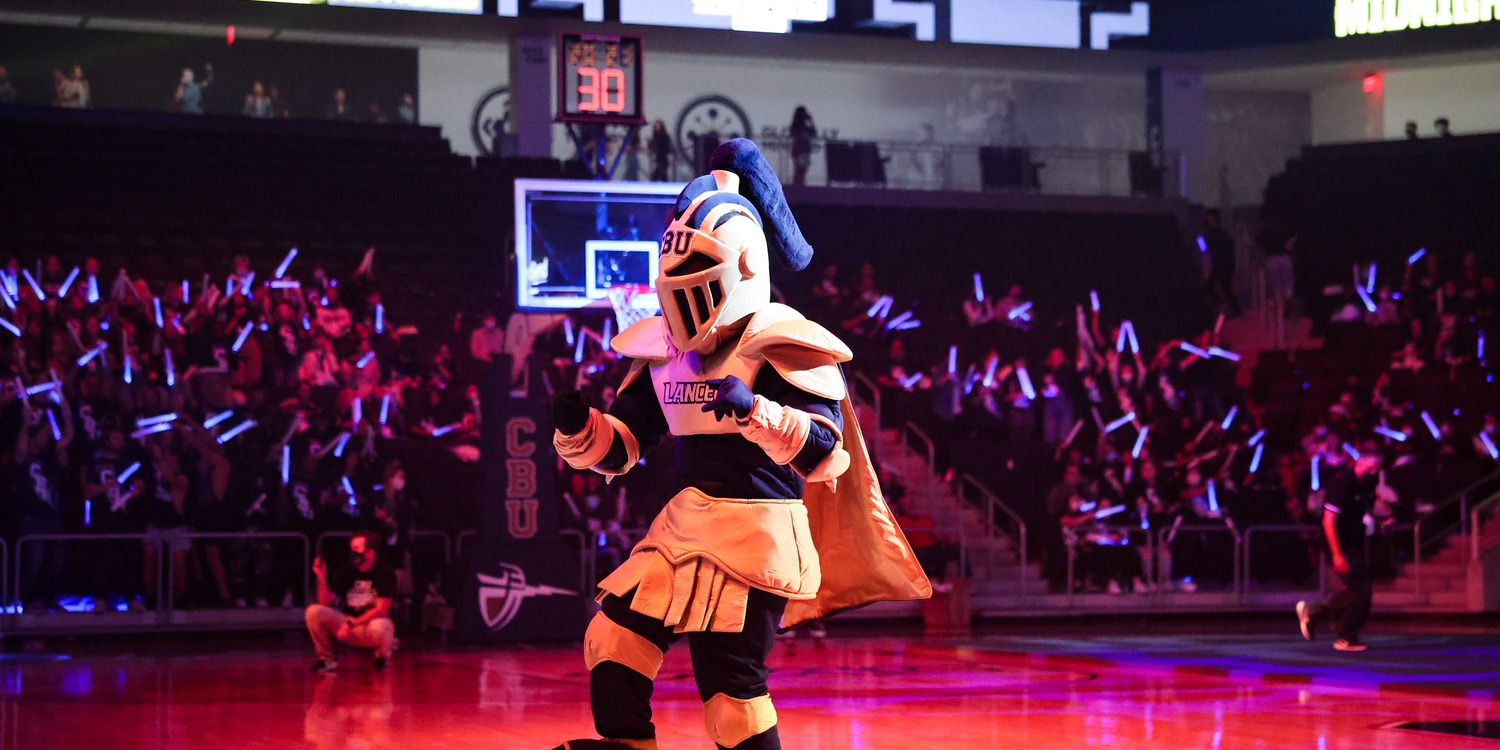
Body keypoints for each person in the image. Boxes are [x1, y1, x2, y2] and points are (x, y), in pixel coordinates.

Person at [550, 139, 929, 750]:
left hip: (760, 530)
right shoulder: (667, 353)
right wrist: (580, 430)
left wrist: (757, 413)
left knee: (730, 686)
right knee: (613, 641)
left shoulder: (780, 341)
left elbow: (827, 454)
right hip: (688, 523)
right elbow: (623, 447)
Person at [1297, 453, 1378, 652]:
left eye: (1376, 469)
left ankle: (1314, 611)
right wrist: (1337, 554)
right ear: (1357, 465)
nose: (1373, 473)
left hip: (1353, 543)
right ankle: (1346, 637)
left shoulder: (1365, 486)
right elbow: (1328, 520)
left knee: (1356, 590)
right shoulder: (1343, 484)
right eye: (1369, 469)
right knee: (1362, 588)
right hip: (1341, 545)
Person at [306, 530, 399, 672]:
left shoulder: (384, 571)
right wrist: (321, 576)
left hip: (369, 625)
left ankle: (382, 656)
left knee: (382, 626)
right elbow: (324, 601)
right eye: (352, 548)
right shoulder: (346, 569)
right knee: (313, 611)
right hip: (348, 624)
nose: (352, 552)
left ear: (370, 552)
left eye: (357, 549)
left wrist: (351, 624)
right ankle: (326, 659)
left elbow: (382, 610)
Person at [1202, 210, 1239, 317]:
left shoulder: (1214, 234)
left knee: (1212, 287)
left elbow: (1204, 249)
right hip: (1224, 263)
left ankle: (1229, 307)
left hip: (1221, 264)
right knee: (1224, 288)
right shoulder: (1222, 234)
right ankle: (1234, 310)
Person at [789, 105, 816, 186]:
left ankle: (800, 183)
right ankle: (798, 184)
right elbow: (794, 134)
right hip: (799, 149)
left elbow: (814, 133)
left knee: (802, 170)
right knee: (799, 169)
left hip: (804, 150)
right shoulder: (796, 125)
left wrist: (811, 121)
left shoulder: (806, 126)